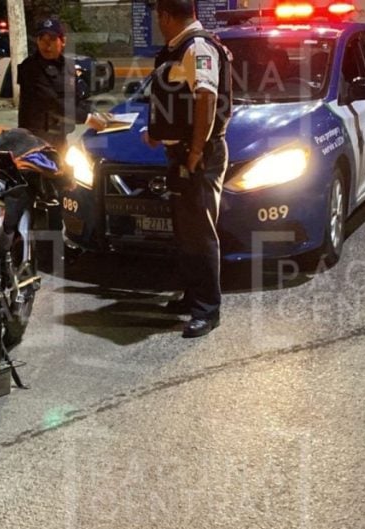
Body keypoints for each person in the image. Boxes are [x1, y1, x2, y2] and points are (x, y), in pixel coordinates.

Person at [145, 0, 232, 338]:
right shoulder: (179, 47)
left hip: (199, 156)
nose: (158, 21)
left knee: (200, 233)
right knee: (186, 232)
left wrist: (195, 150)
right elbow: (176, 101)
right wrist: (159, 133)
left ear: (166, 16)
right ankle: (193, 296)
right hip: (182, 154)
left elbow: (206, 98)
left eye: (158, 15)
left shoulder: (197, 47)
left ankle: (207, 310)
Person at [16, 17, 107, 152]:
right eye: (42, 39)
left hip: (60, 137)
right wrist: (88, 119)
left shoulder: (67, 66)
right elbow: (52, 102)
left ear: (63, 41)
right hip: (35, 142)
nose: (46, 45)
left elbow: (75, 99)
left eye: (52, 39)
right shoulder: (30, 68)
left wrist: (95, 113)